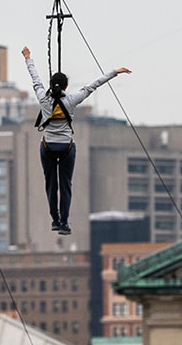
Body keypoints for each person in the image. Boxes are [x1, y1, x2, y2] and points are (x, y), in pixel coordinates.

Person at [23, 46, 131, 236]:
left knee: (51, 184)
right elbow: (93, 85)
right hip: (66, 148)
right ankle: (64, 222)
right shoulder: (72, 100)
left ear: (52, 85)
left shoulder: (43, 99)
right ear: (65, 87)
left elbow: (35, 78)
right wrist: (115, 72)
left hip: (47, 147)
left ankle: (55, 220)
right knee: (65, 185)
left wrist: (28, 57)